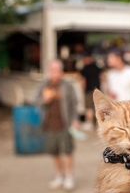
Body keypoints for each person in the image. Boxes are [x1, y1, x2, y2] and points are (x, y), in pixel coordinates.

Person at [34, 59, 79, 190]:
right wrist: (45, 99)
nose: (55, 73)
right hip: (49, 124)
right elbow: (35, 100)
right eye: (53, 70)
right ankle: (60, 175)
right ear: (49, 71)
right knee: (54, 152)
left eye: (58, 70)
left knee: (68, 151)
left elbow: (74, 104)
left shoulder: (67, 85)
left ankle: (69, 176)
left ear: (61, 71)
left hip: (65, 124)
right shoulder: (44, 85)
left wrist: (75, 120)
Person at [79, 51, 102, 131]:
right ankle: (99, 124)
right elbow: (101, 77)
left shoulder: (84, 69)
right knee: (98, 108)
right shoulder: (97, 67)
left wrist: (82, 89)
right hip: (98, 91)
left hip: (88, 91)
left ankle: (89, 123)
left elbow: (82, 81)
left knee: (89, 108)